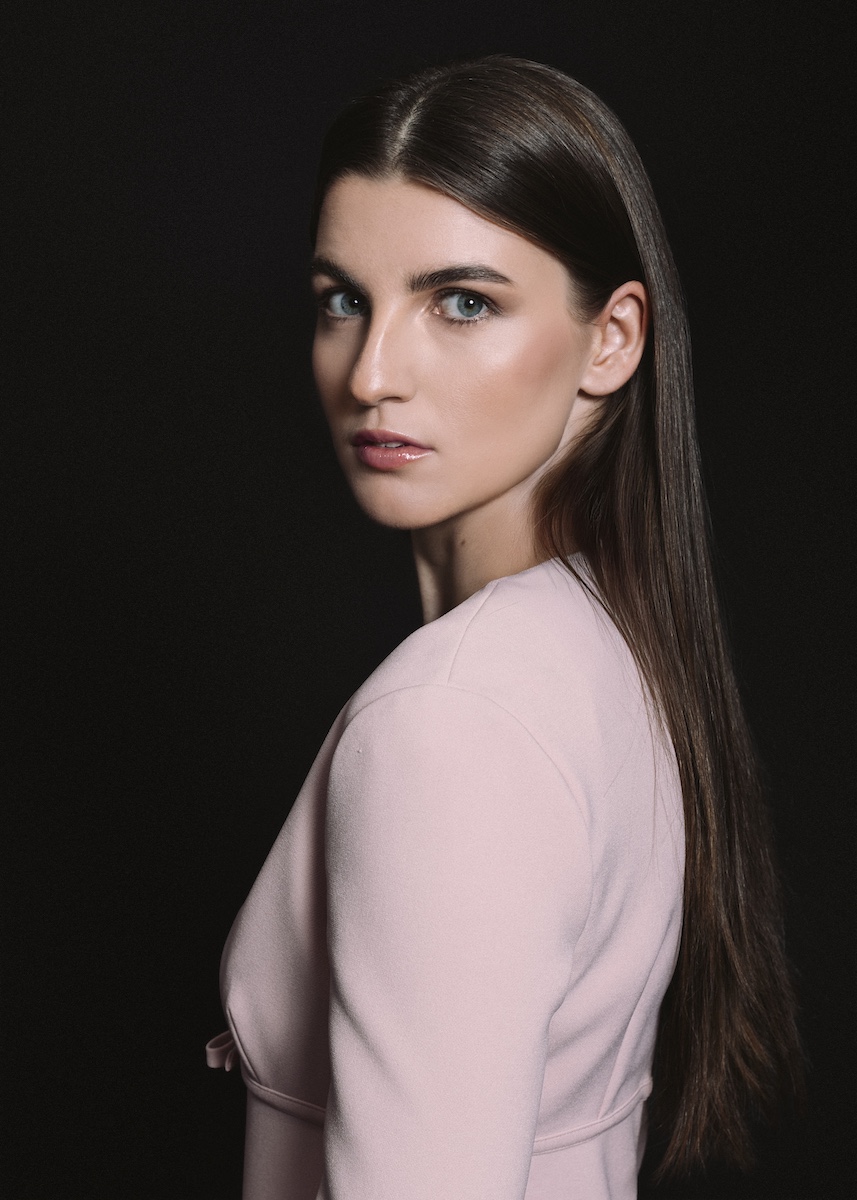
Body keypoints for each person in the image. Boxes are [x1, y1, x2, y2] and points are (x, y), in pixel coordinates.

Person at [206, 56, 802, 1199]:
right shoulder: (603, 643)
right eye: (343, 300)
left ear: (611, 339)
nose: (372, 374)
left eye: (462, 302)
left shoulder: (449, 725)